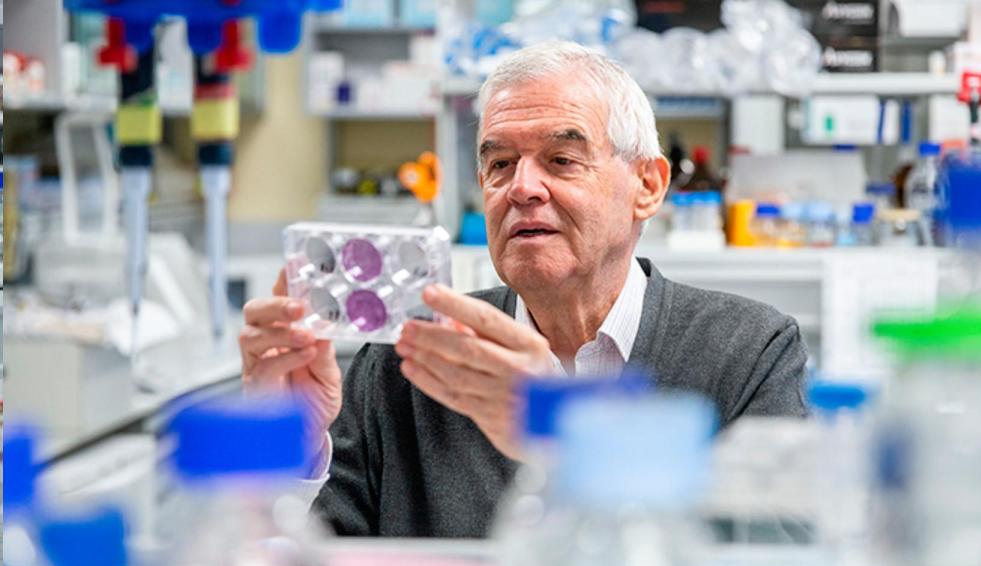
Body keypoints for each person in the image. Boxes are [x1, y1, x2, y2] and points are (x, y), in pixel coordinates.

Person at [238, 41, 808, 538]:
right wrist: (288, 448)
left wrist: (559, 432)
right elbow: (315, 556)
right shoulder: (402, 361)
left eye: (561, 160)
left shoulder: (750, 351)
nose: (522, 188)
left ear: (648, 185)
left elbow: (776, 552)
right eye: (500, 164)